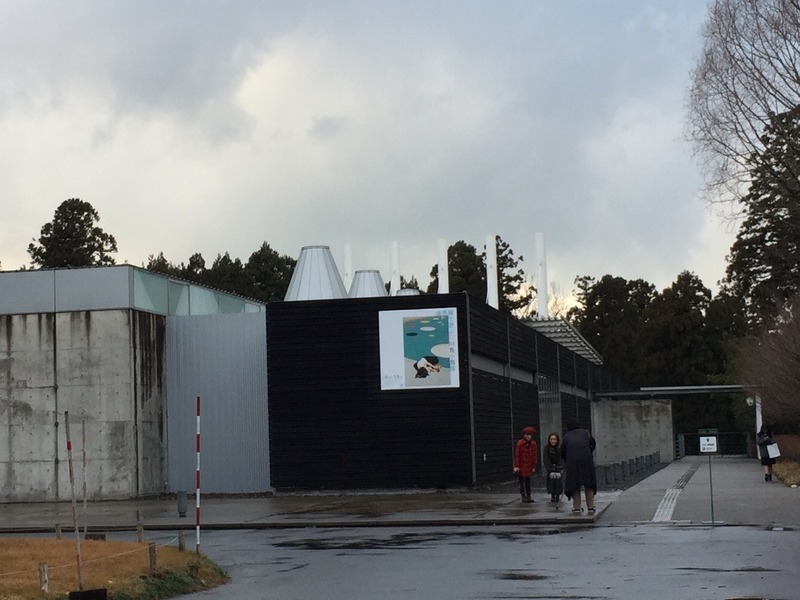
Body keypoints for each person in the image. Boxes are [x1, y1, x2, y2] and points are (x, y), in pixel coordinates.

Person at [561, 421, 597, 514]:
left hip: (572, 463)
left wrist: (567, 460)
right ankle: (591, 507)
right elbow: (593, 443)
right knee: (589, 484)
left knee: (574, 484)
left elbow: (562, 451)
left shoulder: (566, 436)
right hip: (587, 461)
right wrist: (589, 452)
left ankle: (576, 507)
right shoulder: (586, 433)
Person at [513, 426, 538, 503]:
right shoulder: (520, 443)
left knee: (528, 481)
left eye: (530, 435)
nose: (528, 436)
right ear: (524, 435)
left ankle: (528, 495)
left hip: (529, 466)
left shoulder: (533, 444)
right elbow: (517, 455)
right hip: (521, 465)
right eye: (527, 435)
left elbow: (534, 456)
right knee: (521, 481)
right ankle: (523, 495)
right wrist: (517, 466)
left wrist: (533, 466)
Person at [542, 432, 565, 503]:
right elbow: (546, 459)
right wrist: (549, 468)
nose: (553, 441)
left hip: (558, 467)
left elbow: (562, 458)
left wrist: (559, 467)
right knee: (551, 481)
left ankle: (558, 495)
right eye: (551, 439)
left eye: (554, 439)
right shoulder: (546, 448)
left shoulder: (560, 448)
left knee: (558, 481)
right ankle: (552, 495)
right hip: (550, 468)